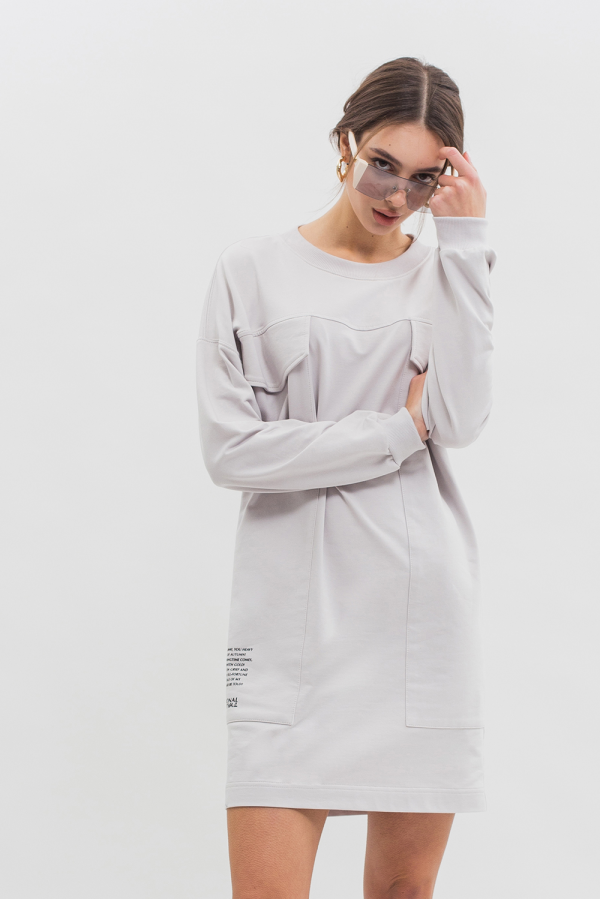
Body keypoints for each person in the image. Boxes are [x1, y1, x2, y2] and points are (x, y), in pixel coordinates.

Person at [195, 56, 496, 899]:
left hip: (418, 621)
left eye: (424, 179)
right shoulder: (252, 270)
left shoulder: (446, 271)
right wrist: (397, 430)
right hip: (287, 621)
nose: (396, 194)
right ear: (345, 143)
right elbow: (231, 453)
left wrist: (468, 241)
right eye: (381, 164)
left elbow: (462, 419)